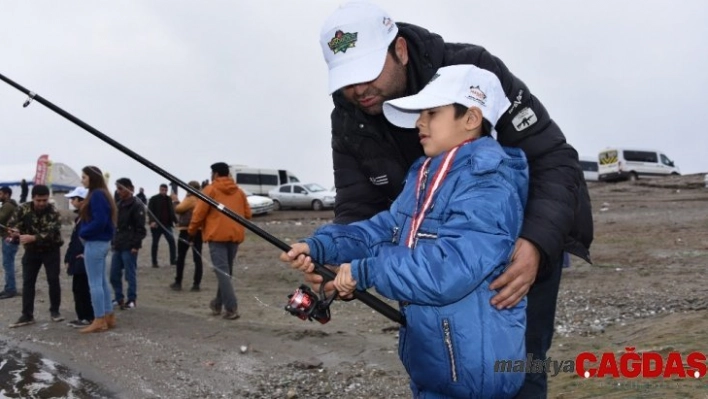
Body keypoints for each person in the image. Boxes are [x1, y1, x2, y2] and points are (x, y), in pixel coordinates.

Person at [315, 2, 593, 397]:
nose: (357, 89)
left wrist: (535, 244)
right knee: (443, 366)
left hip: (514, 250)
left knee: (517, 367)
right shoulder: (349, 115)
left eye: (366, 72)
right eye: (346, 80)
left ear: (400, 50)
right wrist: (335, 255)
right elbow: (359, 203)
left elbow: (553, 159)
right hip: (429, 265)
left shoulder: (474, 71)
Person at [283, 65, 528, 398]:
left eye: (431, 112)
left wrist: (363, 271)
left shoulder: (488, 184)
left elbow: (449, 268)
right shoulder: (426, 174)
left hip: (475, 376)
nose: (419, 122)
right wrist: (322, 246)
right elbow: (384, 229)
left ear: (471, 118)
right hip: (434, 364)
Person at [188, 162, 251, 320]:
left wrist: (191, 231)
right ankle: (217, 303)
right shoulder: (239, 192)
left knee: (223, 273)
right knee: (225, 272)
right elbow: (248, 214)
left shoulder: (210, 190)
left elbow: (199, 213)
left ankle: (231, 308)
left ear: (215, 174)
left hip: (216, 237)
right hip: (235, 236)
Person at [7, 184, 64, 328]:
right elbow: (13, 224)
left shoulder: (53, 212)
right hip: (31, 252)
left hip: (51, 250)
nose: (42, 203)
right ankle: (27, 315)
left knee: (53, 280)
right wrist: (13, 232)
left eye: (44, 200)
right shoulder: (22, 209)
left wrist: (34, 237)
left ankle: (55, 311)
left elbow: (52, 233)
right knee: (28, 282)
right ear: (33, 198)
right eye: (39, 200)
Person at [78, 166, 117, 333]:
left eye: (84, 177)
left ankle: (99, 319)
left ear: (92, 178)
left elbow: (100, 220)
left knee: (94, 282)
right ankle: (108, 316)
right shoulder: (103, 194)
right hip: (101, 241)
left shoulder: (97, 195)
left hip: (95, 242)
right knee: (101, 281)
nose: (82, 180)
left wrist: (83, 232)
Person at [110, 178, 147, 310]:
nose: (119, 191)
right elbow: (116, 225)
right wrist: (113, 242)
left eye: (121, 188)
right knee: (114, 274)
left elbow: (141, 229)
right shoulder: (119, 205)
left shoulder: (137, 205)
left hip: (130, 245)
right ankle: (118, 297)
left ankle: (132, 299)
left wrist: (135, 245)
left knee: (130, 274)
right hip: (118, 244)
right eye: (117, 188)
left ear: (130, 188)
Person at [63, 186, 94, 328]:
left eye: (73, 199)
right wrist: (68, 257)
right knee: (77, 288)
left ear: (82, 200)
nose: (71, 201)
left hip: (84, 259)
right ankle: (82, 316)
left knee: (83, 288)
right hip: (77, 258)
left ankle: (87, 317)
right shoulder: (79, 218)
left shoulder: (89, 217)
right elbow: (74, 240)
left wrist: (86, 253)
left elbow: (90, 239)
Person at [170, 180, 203, 292]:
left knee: (181, 257)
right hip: (199, 231)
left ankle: (178, 282)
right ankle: (196, 284)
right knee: (197, 258)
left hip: (186, 231)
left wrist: (175, 200)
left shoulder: (190, 199)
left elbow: (178, 209)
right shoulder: (201, 199)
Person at [147, 184, 177, 268]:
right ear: (159, 189)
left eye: (165, 190)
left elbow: (171, 212)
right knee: (155, 243)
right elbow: (150, 211)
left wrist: (176, 221)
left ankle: (173, 260)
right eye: (162, 190)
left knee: (171, 241)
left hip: (167, 225)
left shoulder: (168, 199)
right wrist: (152, 221)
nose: (163, 191)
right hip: (157, 225)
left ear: (167, 190)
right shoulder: (154, 199)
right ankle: (154, 262)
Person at [0, 186, 19, 299]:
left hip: (9, 238)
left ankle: (10, 289)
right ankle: (9, 288)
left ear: (7, 194)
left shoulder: (7, 206)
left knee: (8, 263)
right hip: (10, 238)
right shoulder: (9, 205)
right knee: (8, 263)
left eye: (1, 193)